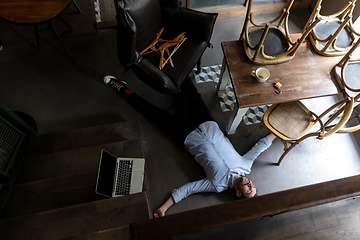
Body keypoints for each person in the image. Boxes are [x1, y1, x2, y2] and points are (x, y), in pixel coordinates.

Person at [103, 75, 276, 218]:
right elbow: (260, 147)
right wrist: (279, 133)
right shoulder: (246, 165)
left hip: (186, 135)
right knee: (192, 91)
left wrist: (163, 208)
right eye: (253, 187)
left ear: (238, 193)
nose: (250, 185)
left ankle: (122, 88)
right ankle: (174, 61)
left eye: (248, 190)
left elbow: (188, 189)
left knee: (153, 113)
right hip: (207, 123)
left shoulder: (216, 185)